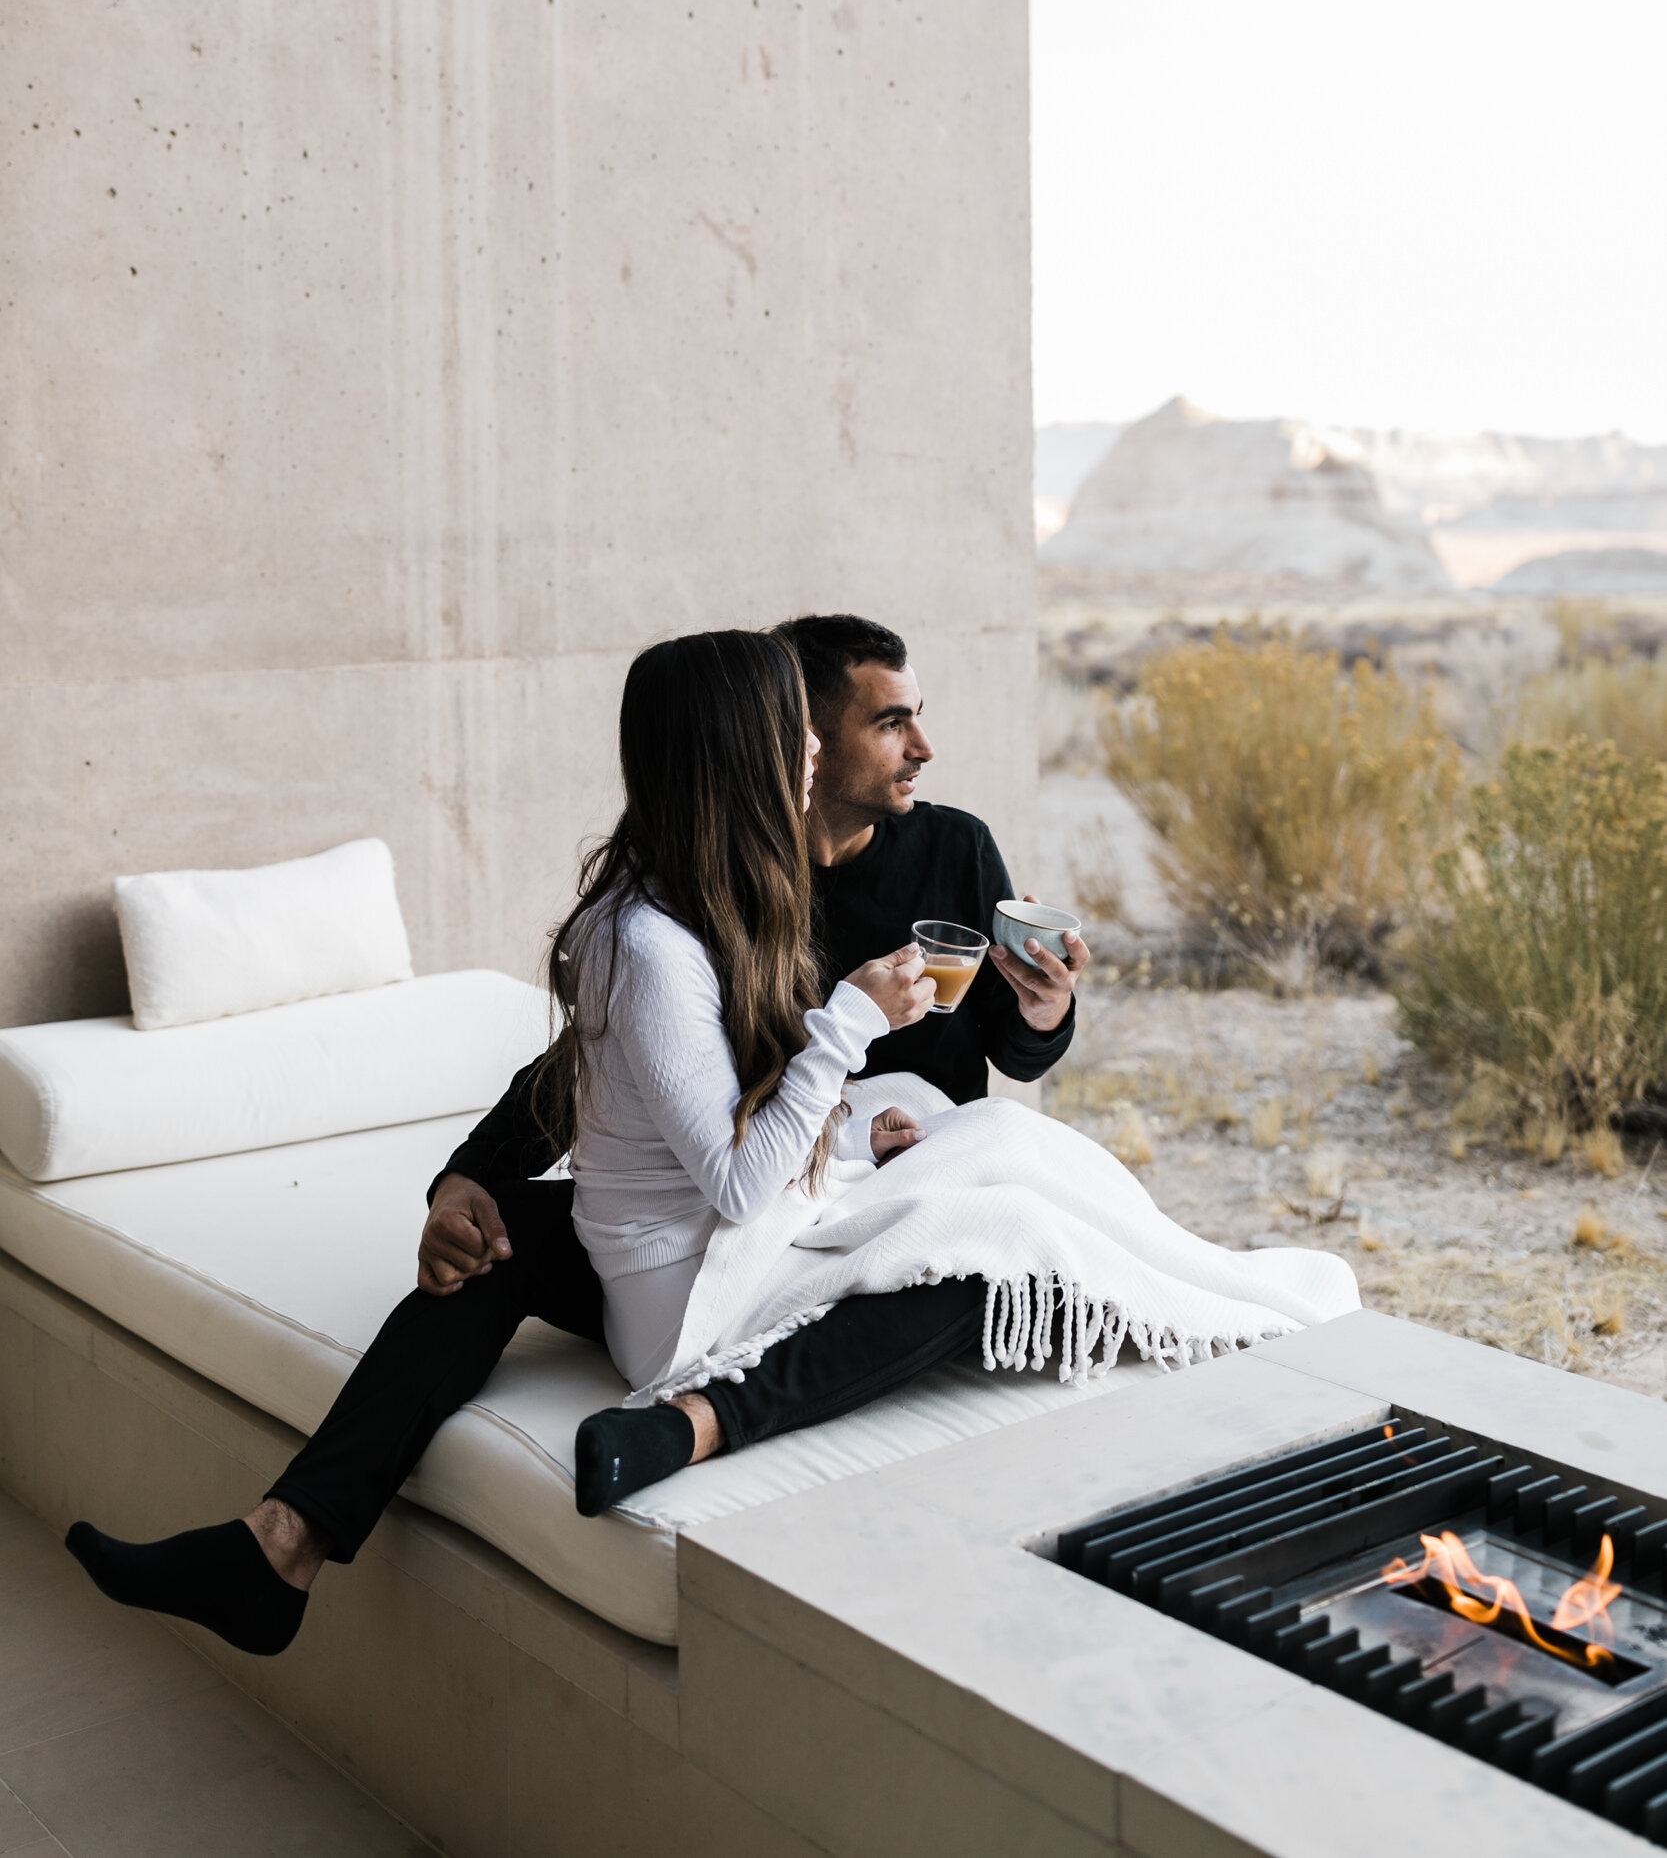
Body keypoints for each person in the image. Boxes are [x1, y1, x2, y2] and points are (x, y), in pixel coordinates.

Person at [58, 631, 987, 1658]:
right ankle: (688, 1422)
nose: (822, 751)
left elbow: (725, 1092)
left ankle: (278, 1547)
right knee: (977, 1264)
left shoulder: (817, 875)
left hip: (785, 1189)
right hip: (720, 1250)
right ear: (750, 750)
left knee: (528, 1236)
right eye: (820, 730)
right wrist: (466, 1176)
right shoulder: (673, 922)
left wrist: (864, 1126)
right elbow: (623, 1091)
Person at [778, 614, 1086, 1102]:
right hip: (805, 1160)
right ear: (808, 740)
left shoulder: (958, 844)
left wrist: (1046, 1009)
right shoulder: (741, 873)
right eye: (892, 724)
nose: (924, 749)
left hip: (945, 1149)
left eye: (917, 717)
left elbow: (1017, 1058)